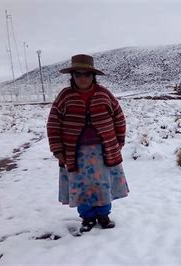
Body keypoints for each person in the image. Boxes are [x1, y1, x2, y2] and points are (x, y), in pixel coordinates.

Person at [46, 54, 129, 232]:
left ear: (93, 76)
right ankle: (88, 217)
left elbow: (119, 118)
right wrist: (58, 149)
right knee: (81, 185)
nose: (82, 78)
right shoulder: (65, 96)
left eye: (86, 74)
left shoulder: (104, 94)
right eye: (78, 74)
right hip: (75, 153)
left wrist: (119, 141)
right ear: (72, 77)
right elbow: (53, 123)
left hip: (103, 151)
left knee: (102, 183)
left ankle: (103, 215)